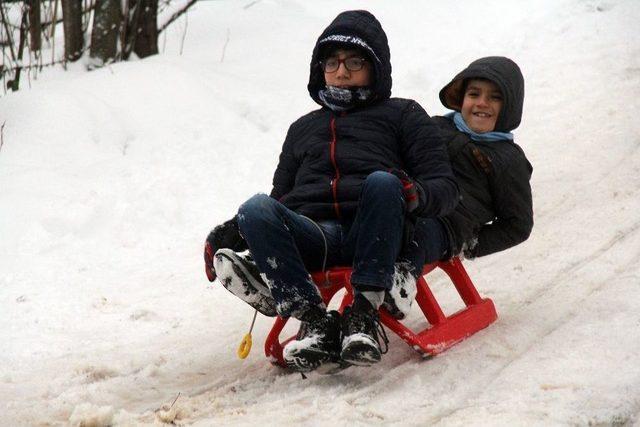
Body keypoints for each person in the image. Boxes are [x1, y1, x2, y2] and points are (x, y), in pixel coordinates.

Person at [204, 10, 459, 373]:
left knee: (383, 181)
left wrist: (414, 193)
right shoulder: (302, 129)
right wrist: (233, 231)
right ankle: (315, 321)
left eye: (355, 61)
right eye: (332, 61)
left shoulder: (403, 115)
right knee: (255, 207)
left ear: (376, 66)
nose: (341, 71)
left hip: (373, 231)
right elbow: (280, 199)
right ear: (319, 67)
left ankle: (364, 315)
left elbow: (445, 187)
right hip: (315, 237)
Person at [383, 56, 533, 318]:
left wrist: (472, 243)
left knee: (419, 231)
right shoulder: (435, 127)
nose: (482, 103)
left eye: (495, 97)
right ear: (461, 98)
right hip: (409, 199)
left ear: (509, 107)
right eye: (474, 94)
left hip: (447, 225)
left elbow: (518, 224)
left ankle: (399, 283)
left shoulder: (508, 160)